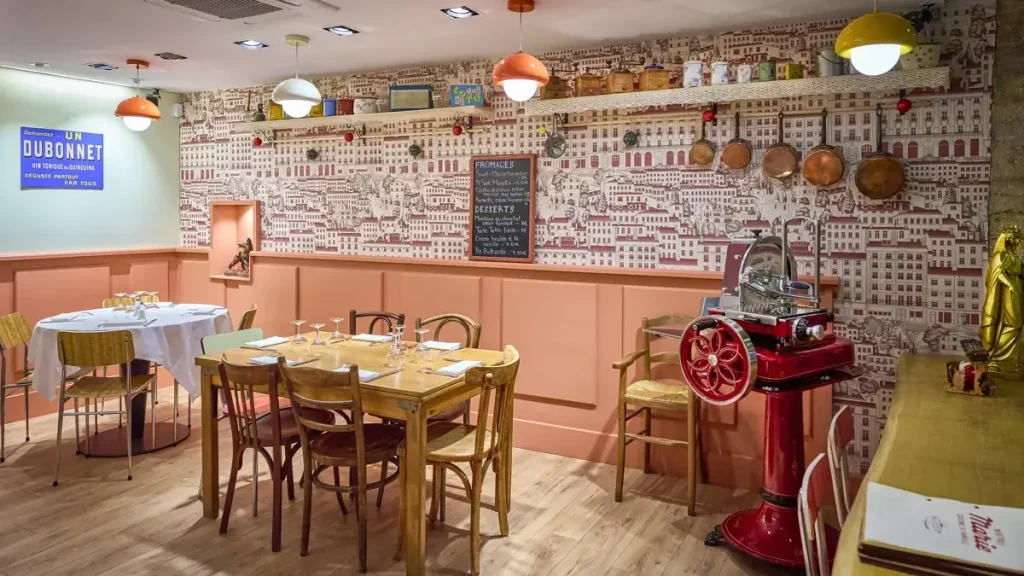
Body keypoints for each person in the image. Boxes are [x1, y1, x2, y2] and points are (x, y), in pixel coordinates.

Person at [980, 226, 1023, 378]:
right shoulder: (1000, 255)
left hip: (1017, 292)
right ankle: (998, 358)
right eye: (1014, 237)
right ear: (1006, 238)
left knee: (1017, 325)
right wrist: (1009, 284)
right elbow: (997, 274)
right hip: (1006, 293)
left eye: (1018, 238)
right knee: (1014, 325)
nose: (1017, 241)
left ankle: (1011, 362)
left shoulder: (1015, 257)